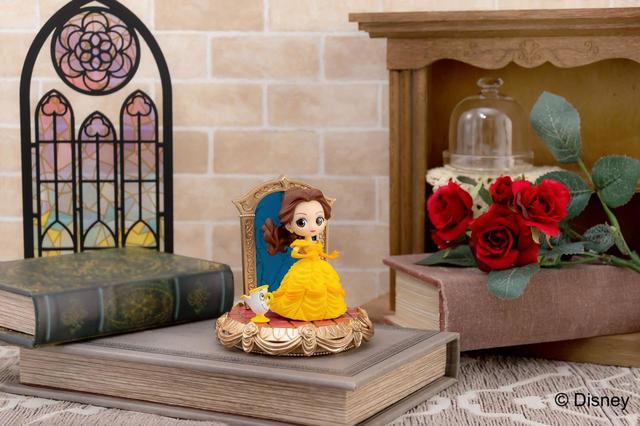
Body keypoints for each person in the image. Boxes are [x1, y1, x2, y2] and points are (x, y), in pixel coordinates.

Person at [262, 187, 347, 321]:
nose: (312, 227)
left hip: (319, 265)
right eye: (302, 222)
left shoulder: (316, 241)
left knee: (323, 287)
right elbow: (294, 254)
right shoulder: (300, 243)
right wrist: (306, 256)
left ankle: (323, 310)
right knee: (300, 289)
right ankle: (298, 311)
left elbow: (320, 253)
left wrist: (331, 256)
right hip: (304, 267)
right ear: (289, 226)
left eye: (319, 220)